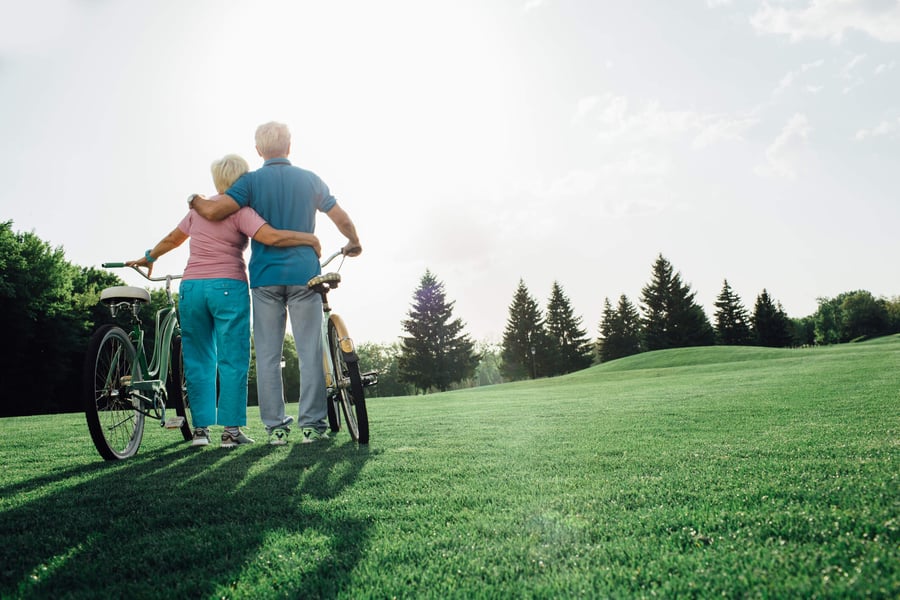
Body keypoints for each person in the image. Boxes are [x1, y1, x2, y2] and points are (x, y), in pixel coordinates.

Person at [128, 154, 322, 449]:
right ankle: (231, 432)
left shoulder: (197, 212)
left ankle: (200, 432)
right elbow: (270, 237)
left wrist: (149, 257)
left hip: (191, 288)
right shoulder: (241, 211)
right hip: (228, 287)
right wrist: (308, 239)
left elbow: (172, 238)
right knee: (232, 359)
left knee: (197, 359)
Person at [190, 121, 361, 445]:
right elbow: (340, 217)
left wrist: (194, 200)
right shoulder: (310, 179)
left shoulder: (249, 183)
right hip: (305, 276)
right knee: (310, 352)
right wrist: (353, 240)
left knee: (268, 356)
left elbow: (214, 211)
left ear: (258, 150)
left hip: (265, 278)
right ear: (290, 145)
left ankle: (276, 430)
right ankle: (311, 426)